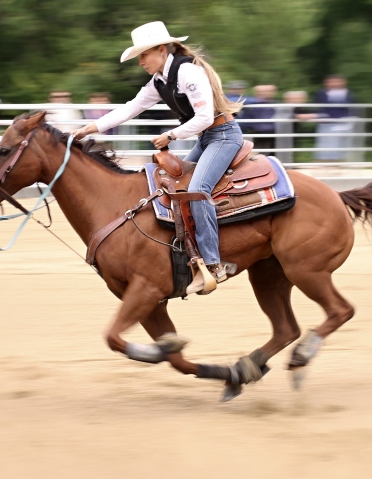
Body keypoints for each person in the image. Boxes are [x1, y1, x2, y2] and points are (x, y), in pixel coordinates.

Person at [72, 21, 244, 288]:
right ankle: (190, 251)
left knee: (197, 189)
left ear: (161, 50)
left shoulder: (187, 72)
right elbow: (130, 109)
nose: (140, 61)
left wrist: (172, 135)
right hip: (208, 138)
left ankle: (213, 264)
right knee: (176, 186)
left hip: (223, 136)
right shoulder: (160, 81)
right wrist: (89, 128)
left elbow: (205, 117)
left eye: (143, 54)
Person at [300, 75, 357, 161]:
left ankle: (338, 165)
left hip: (344, 124)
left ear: (343, 82)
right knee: (325, 147)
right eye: (330, 82)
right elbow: (317, 107)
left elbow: (352, 108)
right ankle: (325, 165)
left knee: (342, 147)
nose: (333, 84)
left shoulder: (349, 94)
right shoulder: (321, 93)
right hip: (326, 123)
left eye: (336, 81)